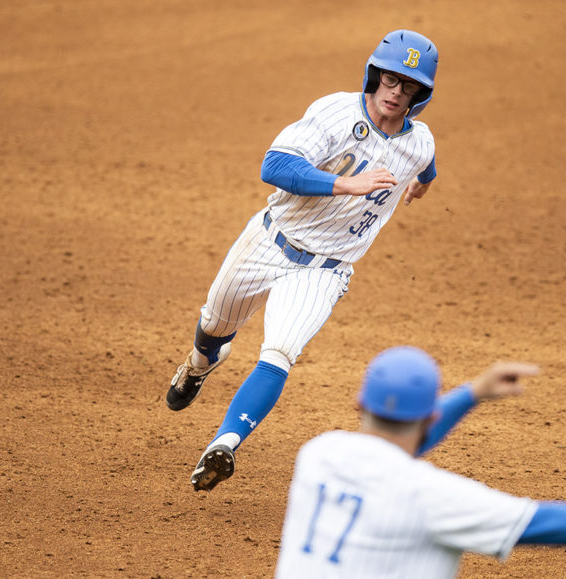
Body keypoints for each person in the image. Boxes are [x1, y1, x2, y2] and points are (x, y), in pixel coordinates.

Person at [166, 30, 441, 492]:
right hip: (269, 241)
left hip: (325, 270)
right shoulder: (334, 112)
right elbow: (274, 166)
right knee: (215, 323)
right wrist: (344, 185)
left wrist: (423, 183)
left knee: (280, 352)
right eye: (391, 80)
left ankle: (224, 444)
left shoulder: (419, 142)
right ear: (375, 76)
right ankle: (199, 364)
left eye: (409, 87)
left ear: (421, 95)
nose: (396, 93)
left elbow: (426, 163)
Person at [275, 346, 566, 578]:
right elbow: (539, 522)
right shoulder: (431, 497)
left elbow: (392, 450)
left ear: (359, 404)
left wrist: (472, 394)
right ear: (430, 415)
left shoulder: (318, 453)